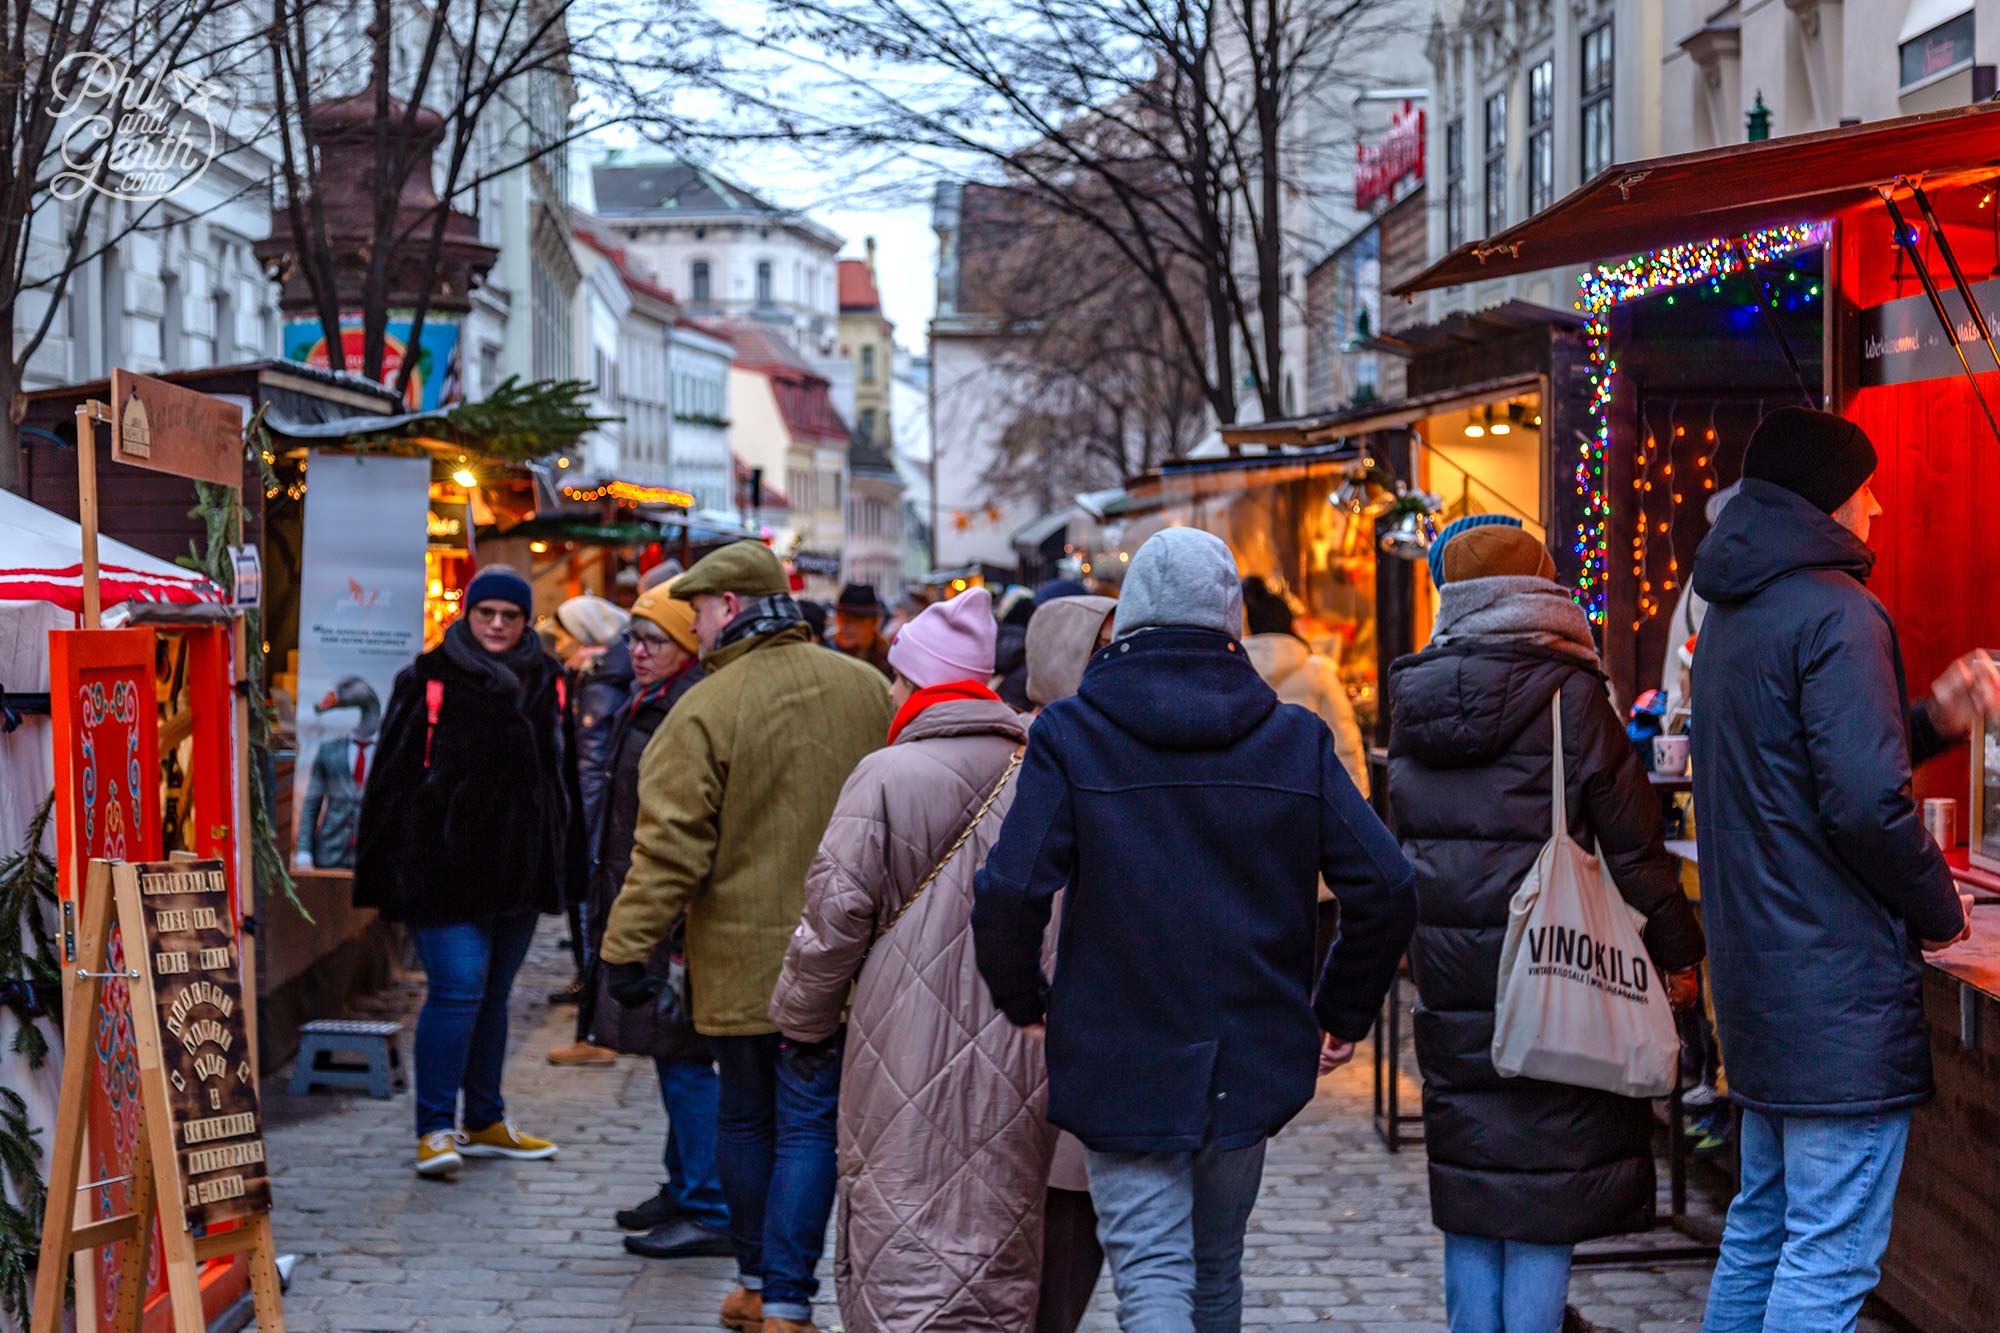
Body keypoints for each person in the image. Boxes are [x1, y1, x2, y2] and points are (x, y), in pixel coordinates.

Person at [972, 527, 1418, 1331]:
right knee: (1213, 1272)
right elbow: (1385, 883)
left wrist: (1026, 1001)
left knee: (1152, 1274)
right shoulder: (1294, 739)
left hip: (1118, 1048)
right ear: (1233, 619)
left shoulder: (1073, 736)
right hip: (1247, 1050)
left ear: (1129, 613)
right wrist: (1337, 1010)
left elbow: (1007, 890)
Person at [1690, 408, 2000, 1332]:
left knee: (1762, 1228)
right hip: (1835, 996)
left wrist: (1936, 717)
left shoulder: (1738, 610)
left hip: (1762, 984)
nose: (1876, 504)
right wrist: (1942, 911)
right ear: (1828, 496)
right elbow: (1863, 799)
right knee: (1827, 1257)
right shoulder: (1837, 609)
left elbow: (1810, 760)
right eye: (1864, 486)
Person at [1386, 516, 1705, 1332]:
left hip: (1454, 982)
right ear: (1542, 587)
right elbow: (1634, 847)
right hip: (1557, 974)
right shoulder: (1570, 694)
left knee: (1472, 1190)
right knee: (1540, 1197)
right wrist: (1680, 953)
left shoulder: (1413, 696)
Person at [599, 541, 893, 1333]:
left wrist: (626, 950)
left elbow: (668, 849)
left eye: (696, 609)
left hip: (737, 961)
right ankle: (789, 1299)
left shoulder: (704, 707)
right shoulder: (867, 688)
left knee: (746, 1118)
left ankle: (762, 1282)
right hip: (840, 957)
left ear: (729, 607)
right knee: (807, 1123)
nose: (691, 625)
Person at [769, 587, 1053, 1331]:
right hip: (1019, 1033)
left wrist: (801, 1019)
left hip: (897, 1032)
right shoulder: (1039, 771)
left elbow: (833, 917)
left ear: (919, 683)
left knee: (900, 1203)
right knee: (998, 1205)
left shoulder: (887, 774)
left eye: (898, 676)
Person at [354, 565, 577, 1177]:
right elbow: (389, 786)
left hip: (522, 876)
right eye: (487, 614)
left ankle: (484, 1119)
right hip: (442, 876)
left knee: (495, 998)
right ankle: (434, 1129)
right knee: (458, 990)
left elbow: (564, 783)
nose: (498, 625)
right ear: (468, 615)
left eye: (510, 615)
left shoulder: (551, 679)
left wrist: (565, 867)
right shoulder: (428, 679)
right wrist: (386, 879)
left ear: (526, 619)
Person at [574, 580, 733, 1259]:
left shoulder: (687, 707)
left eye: (654, 639)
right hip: (636, 895)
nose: (637, 651)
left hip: (673, 912)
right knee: (671, 1057)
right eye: (633, 638)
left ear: (685, 644)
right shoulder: (652, 699)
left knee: (686, 1057)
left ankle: (710, 1203)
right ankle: (684, 1184)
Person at [1018, 591, 1116, 1333]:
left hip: (1091, 1021)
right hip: (1027, 1015)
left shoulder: (1119, 742)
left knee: (1071, 1213)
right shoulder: (1029, 752)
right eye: (1105, 647)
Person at [548, 593, 632, 1060]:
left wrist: (581, 829)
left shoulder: (599, 683)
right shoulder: (595, 676)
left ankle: (596, 1033)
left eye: (563, 632)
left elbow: (591, 765)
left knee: (592, 913)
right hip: (594, 819)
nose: (557, 641)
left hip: (594, 822)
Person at [832, 582, 893, 678]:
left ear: (873, 623)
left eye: (854, 622)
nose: (844, 627)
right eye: (841, 620)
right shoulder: (830, 652)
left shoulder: (889, 660)